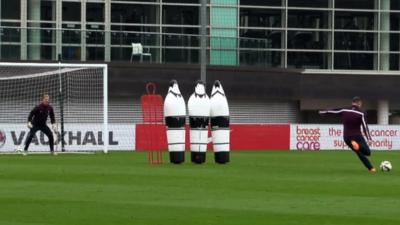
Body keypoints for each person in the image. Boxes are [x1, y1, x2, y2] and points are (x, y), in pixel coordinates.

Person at [319, 97, 376, 172]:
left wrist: (322, 112)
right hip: (357, 136)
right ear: (359, 103)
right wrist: (369, 138)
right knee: (367, 152)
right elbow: (365, 126)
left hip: (346, 137)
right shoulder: (361, 113)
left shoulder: (344, 110)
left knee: (358, 152)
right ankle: (359, 148)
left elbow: (333, 111)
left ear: (352, 103)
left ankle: (371, 168)